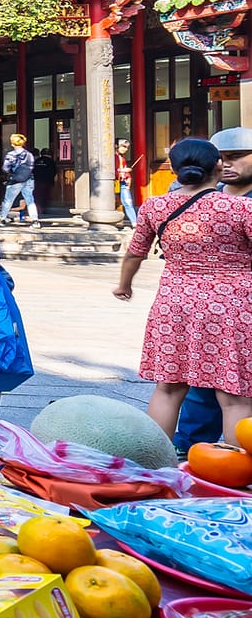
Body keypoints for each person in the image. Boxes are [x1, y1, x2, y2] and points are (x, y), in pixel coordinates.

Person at [113, 137, 252, 446]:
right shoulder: (241, 207)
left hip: (173, 302)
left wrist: (124, 285)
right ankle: (236, 477)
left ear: (175, 170)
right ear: (218, 166)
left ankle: (156, 465)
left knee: (168, 388)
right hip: (232, 304)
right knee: (235, 396)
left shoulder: (155, 206)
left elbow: (135, 253)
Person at [174, 126, 252, 450]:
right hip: (202, 307)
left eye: (238, 156)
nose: (228, 164)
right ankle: (189, 446)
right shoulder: (200, 195)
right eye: (223, 158)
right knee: (201, 380)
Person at [0, 134, 36, 225]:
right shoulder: (29, 154)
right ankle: (35, 220)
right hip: (29, 178)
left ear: (12, 144)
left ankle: (2, 219)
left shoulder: (11, 155)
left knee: (8, 200)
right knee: (30, 199)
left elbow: (5, 168)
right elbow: (32, 166)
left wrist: (11, 174)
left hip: (15, 179)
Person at [115, 137, 140, 228]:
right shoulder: (112, 157)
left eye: (126, 147)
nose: (125, 149)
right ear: (116, 146)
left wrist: (128, 177)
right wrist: (123, 170)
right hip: (113, 182)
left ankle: (134, 222)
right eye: (123, 146)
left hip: (123, 182)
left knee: (128, 202)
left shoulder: (122, 158)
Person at [33, 149, 58, 216]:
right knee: (45, 195)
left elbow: (33, 170)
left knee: (37, 195)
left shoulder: (37, 161)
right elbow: (53, 171)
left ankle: (38, 208)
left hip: (37, 181)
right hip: (47, 181)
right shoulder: (51, 161)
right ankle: (43, 208)